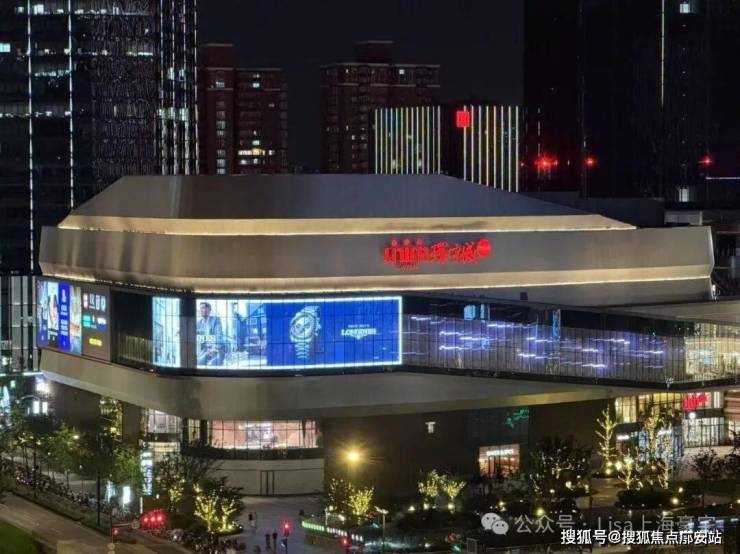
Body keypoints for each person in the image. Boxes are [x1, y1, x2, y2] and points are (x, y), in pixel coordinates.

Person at [197, 302, 225, 366]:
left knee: (212, 365)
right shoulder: (199, 323)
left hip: (217, 349)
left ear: (209, 310)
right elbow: (196, 335)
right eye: (200, 308)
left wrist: (214, 348)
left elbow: (218, 335)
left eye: (203, 308)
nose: (201, 310)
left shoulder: (216, 319)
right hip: (206, 349)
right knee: (198, 362)